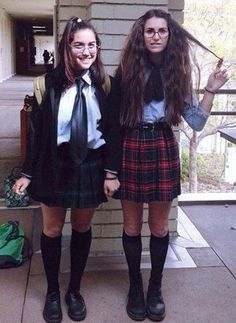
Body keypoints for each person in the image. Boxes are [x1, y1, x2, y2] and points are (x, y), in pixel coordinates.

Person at [114, 9, 228, 322]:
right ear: (142, 35)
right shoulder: (127, 70)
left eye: (161, 31)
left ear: (169, 35)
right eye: (150, 31)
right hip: (131, 144)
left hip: (162, 145)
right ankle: (135, 286)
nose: (156, 36)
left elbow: (196, 121)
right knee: (132, 226)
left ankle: (155, 287)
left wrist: (211, 91)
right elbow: (112, 120)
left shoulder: (178, 72)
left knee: (160, 227)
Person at [13, 17, 120, 323]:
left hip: (91, 164)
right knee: (52, 230)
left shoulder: (106, 84)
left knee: (83, 228)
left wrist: (111, 173)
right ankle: (52, 292)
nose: (86, 51)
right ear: (66, 47)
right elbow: (37, 134)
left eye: (92, 45)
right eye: (79, 45)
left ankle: (74, 290)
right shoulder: (45, 84)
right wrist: (27, 172)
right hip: (54, 164)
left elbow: (112, 131)